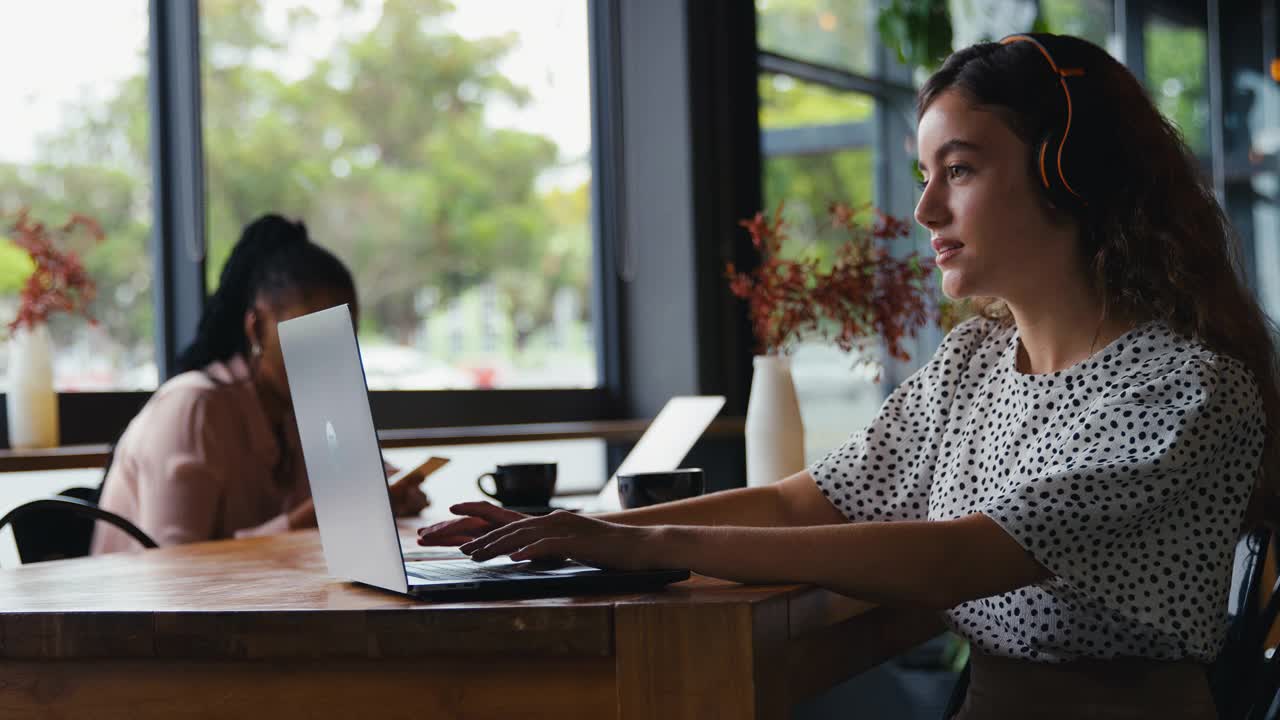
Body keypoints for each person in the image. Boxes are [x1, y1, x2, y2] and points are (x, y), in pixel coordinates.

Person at [417, 34, 1279, 719]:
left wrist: (644, 544)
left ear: (1069, 174)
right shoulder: (977, 362)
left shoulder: (1185, 391)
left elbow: (956, 557)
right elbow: (805, 500)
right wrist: (581, 530)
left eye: (962, 170)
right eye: (924, 174)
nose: (925, 209)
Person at [93, 214, 429, 554]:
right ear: (256, 329)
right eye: (311, 336)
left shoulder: (298, 409)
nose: (328, 357)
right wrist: (312, 518)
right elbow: (173, 566)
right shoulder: (194, 406)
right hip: (135, 604)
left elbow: (360, 483)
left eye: (342, 337)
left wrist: (391, 494)